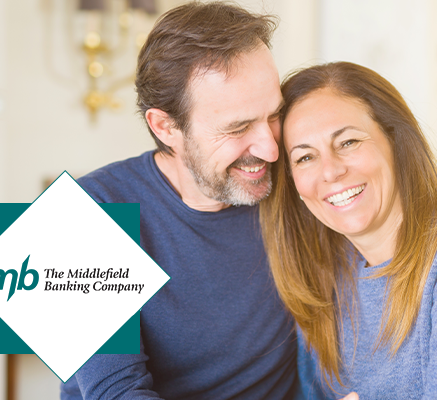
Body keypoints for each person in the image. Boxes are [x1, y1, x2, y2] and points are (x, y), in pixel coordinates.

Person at [260, 62, 437, 399]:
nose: (331, 171)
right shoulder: (323, 278)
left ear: (395, 139)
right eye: (305, 158)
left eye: (348, 142)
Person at [60, 2, 296, 399]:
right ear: (166, 126)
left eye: (273, 115)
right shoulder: (77, 215)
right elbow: (116, 393)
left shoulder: (299, 184)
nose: (271, 150)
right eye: (238, 127)